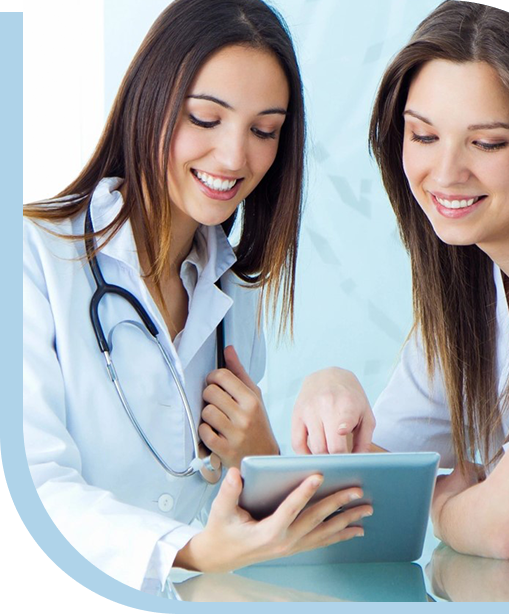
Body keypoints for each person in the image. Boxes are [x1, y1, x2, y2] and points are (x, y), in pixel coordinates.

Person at [23, 0, 371, 594]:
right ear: (149, 101)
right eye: (205, 119)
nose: (236, 158)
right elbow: (35, 489)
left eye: (264, 130)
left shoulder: (236, 293)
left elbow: (235, 521)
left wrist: (257, 457)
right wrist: (189, 549)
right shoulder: (32, 256)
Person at [291, 0, 509, 600]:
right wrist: (329, 385)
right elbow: (370, 489)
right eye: (423, 135)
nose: (444, 173)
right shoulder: (470, 284)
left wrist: (443, 507)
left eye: (487, 143)